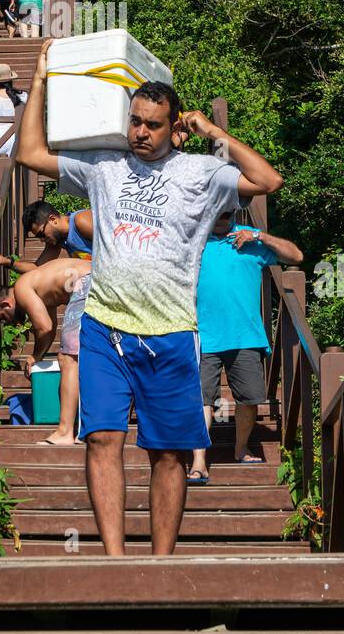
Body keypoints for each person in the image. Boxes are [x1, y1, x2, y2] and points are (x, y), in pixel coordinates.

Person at [16, 40, 284, 557]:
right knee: (101, 440)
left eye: (153, 124)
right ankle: (116, 564)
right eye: (135, 120)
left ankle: (159, 567)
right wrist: (41, 80)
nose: (140, 131)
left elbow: (267, 179)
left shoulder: (202, 173)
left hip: (171, 332)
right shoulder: (103, 167)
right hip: (104, 329)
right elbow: (30, 154)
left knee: (168, 454)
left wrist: (211, 132)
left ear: (174, 123)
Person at [187, 214, 304, 483]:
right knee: (202, 399)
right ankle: (198, 461)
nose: (219, 217)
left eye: (226, 212)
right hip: (202, 334)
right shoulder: (194, 237)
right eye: (215, 211)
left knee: (251, 399)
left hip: (245, 336)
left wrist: (260, 236)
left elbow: (296, 256)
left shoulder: (250, 237)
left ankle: (240, 449)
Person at [0, 257, 92, 446]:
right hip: (96, 276)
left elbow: (44, 327)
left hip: (84, 282)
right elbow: (51, 327)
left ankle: (65, 431)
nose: (9, 322)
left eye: (3, 318)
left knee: (68, 358)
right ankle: (91, 428)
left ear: (6, 304)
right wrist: (37, 356)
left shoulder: (21, 287)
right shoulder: (39, 285)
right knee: (91, 356)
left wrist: (34, 356)